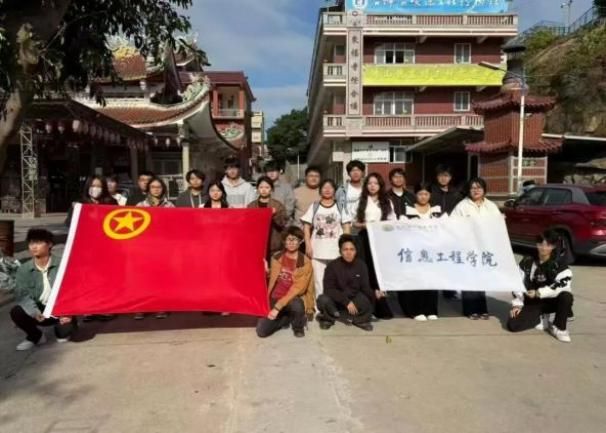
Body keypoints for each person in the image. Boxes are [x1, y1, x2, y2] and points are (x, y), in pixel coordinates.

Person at [10, 229, 76, 351]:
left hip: (60, 310)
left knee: (63, 337)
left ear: (49, 244)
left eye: (38, 242)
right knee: (16, 311)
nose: (34, 247)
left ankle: (65, 327)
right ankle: (35, 336)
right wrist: (34, 312)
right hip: (39, 311)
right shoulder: (23, 269)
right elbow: (22, 295)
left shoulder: (63, 264)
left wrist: (68, 311)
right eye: (31, 243)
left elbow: (74, 291)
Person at [507, 230, 574, 343]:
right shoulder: (527, 262)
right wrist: (517, 304)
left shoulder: (560, 266)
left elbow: (561, 285)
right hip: (533, 302)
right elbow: (517, 283)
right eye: (540, 244)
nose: (543, 248)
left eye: (547, 245)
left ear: (553, 246)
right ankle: (542, 317)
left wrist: (538, 293)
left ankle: (559, 327)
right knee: (513, 325)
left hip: (551, 301)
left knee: (566, 296)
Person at [452, 177, 502, 320]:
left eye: (479, 187)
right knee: (469, 278)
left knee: (481, 278)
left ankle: (482, 309)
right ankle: (470, 310)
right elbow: (453, 225)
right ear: (468, 190)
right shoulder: (462, 206)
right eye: (473, 188)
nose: (476, 190)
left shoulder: (491, 206)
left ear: (484, 190)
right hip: (468, 248)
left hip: (485, 248)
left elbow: (498, 227)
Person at [256, 226, 314, 338]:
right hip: (275, 297)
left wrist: (277, 308)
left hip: (292, 298)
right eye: (288, 239)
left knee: (297, 305)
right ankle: (286, 319)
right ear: (284, 242)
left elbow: (298, 288)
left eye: (295, 239)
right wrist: (266, 271)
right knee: (261, 331)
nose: (291, 242)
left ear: (300, 241)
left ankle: (298, 326)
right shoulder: (276, 257)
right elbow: (274, 276)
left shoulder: (305, 262)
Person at [399, 182, 443, 321]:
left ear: (430, 195)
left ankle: (430, 309)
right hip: (414, 251)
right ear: (415, 195)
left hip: (432, 251)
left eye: (426, 194)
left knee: (431, 280)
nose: (423, 197)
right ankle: (415, 310)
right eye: (420, 194)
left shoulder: (436, 210)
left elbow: (444, 228)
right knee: (416, 280)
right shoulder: (408, 210)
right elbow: (402, 229)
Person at [354, 173, 396, 319]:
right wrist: (365, 225)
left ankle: (381, 306)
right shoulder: (361, 201)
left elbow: (392, 221)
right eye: (370, 183)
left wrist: (380, 225)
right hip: (364, 238)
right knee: (366, 271)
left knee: (378, 271)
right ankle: (367, 308)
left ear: (380, 185)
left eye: (376, 183)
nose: (372, 186)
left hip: (381, 238)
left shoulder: (387, 201)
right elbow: (354, 222)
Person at [301, 179, 352, 297]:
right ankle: (320, 306)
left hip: (336, 251)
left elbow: (346, 227)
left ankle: (336, 304)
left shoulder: (340, 206)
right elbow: (306, 227)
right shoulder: (314, 206)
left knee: (337, 280)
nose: (327, 190)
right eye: (324, 187)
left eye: (330, 187)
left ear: (334, 190)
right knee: (318, 282)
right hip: (317, 251)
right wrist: (308, 245)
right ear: (320, 191)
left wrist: (346, 247)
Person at [316, 235, 374, 331]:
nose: (348, 252)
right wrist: (346, 301)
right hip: (336, 300)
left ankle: (360, 320)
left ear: (356, 251)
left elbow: (365, 287)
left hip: (353, 298)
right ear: (340, 251)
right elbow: (328, 290)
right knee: (323, 299)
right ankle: (327, 319)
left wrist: (375, 293)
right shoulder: (332, 266)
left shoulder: (361, 265)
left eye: (352, 249)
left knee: (365, 300)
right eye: (345, 249)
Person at [136, 177, 174, 320]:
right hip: (145, 247)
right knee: (143, 278)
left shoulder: (170, 206)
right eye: (153, 187)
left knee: (162, 277)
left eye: (159, 187)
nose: (156, 190)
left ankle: (161, 306)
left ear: (163, 189)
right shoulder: (140, 205)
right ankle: (142, 307)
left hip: (164, 247)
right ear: (148, 189)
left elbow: (174, 226)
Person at [430, 164, 463, 300]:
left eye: (446, 175)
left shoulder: (457, 194)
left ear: (451, 177)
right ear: (436, 177)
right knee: (433, 260)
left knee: (449, 260)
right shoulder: (431, 191)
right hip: (433, 231)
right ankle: (431, 289)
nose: (443, 178)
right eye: (441, 175)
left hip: (451, 232)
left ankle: (449, 290)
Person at [247, 176, 289, 258]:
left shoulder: (277, 205)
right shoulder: (251, 206)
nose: (264, 190)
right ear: (257, 189)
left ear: (271, 189)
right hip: (256, 242)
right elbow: (247, 225)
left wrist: (275, 215)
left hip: (274, 243)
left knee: (273, 264)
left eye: (267, 187)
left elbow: (283, 223)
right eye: (261, 187)